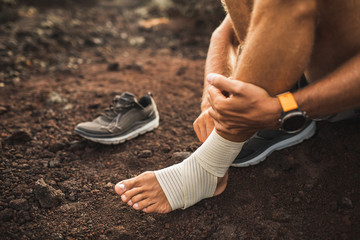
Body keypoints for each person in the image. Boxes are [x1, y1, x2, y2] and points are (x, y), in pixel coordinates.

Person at [114, 0, 360, 213]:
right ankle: (263, 109)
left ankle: (210, 166)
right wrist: (214, 99)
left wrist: (284, 109)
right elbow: (224, 34)